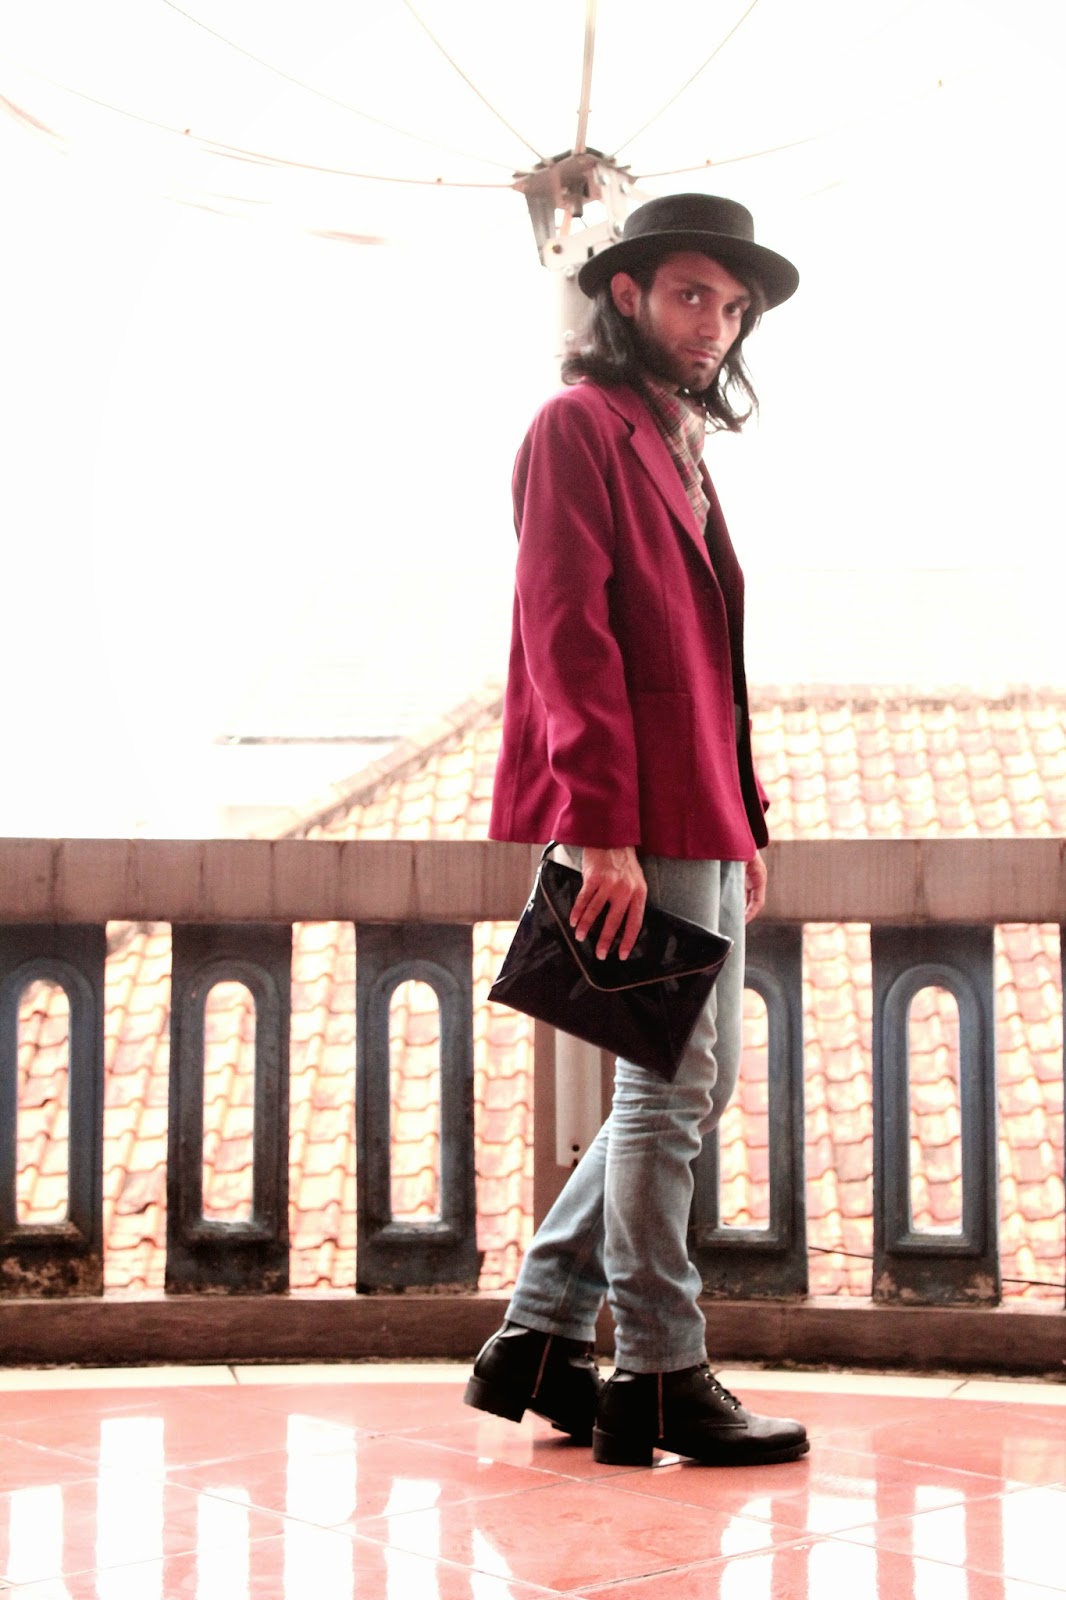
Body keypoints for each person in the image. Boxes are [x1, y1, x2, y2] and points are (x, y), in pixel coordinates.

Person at [465, 193, 808, 1468]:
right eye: (691, 295)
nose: (715, 324)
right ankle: (659, 1369)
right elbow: (565, 628)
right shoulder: (577, 427)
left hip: (700, 803)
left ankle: (541, 1335)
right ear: (627, 295)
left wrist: (744, 818)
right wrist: (598, 826)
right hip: (637, 806)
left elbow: (710, 659)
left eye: (732, 306)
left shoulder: (677, 443)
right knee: (665, 1089)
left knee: (684, 1081)